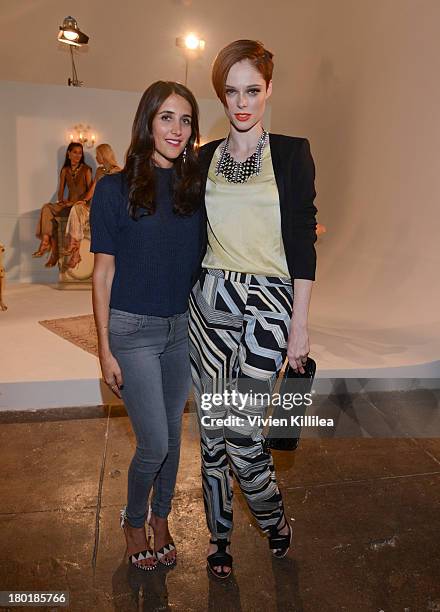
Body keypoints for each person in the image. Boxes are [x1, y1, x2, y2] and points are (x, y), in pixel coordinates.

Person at [189, 40, 318, 579]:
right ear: (220, 94)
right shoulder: (203, 157)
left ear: (269, 90)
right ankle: (219, 536)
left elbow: (304, 241)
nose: (242, 103)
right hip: (209, 301)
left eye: (253, 90)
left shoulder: (291, 152)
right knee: (212, 432)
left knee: (244, 435)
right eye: (231, 92)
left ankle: (272, 520)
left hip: (269, 304)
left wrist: (300, 325)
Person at [91, 81, 202, 571]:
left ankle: (162, 518)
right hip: (132, 332)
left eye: (185, 120)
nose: (177, 129)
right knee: (154, 443)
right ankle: (134, 521)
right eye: (166, 118)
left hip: (180, 331)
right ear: (147, 121)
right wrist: (104, 350)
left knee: (175, 441)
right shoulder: (114, 188)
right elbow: (103, 273)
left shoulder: (193, 187)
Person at [33, 143, 92, 267]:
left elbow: (90, 192)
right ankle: (45, 241)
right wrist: (61, 201)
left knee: (73, 210)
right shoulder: (65, 170)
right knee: (47, 208)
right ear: (68, 154)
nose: (77, 155)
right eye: (75, 152)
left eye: (80, 153)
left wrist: (77, 202)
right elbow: (60, 191)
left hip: (81, 206)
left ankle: (56, 253)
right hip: (69, 205)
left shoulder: (86, 170)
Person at [65, 143, 121, 269]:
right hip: (95, 207)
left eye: (98, 155)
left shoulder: (118, 171)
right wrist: (84, 201)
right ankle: (75, 247)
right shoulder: (100, 171)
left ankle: (75, 253)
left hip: (108, 210)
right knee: (76, 208)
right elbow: (93, 189)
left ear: (104, 155)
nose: (96, 158)